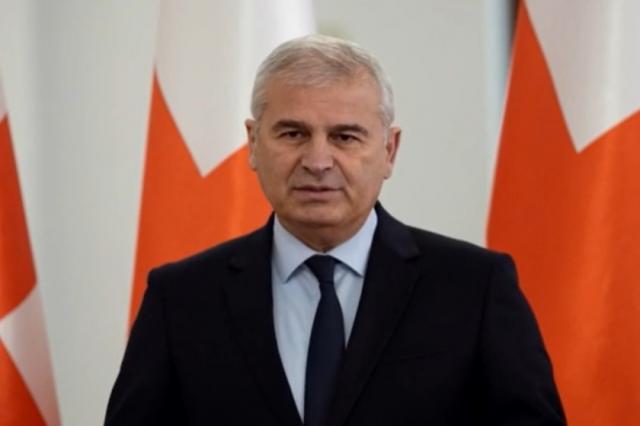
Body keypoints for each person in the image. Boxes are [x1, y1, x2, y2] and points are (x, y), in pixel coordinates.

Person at [105, 35, 565, 425]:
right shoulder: (181, 297)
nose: (318, 160)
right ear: (253, 144)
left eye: (345, 137)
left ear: (389, 150)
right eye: (293, 134)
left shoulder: (474, 287)